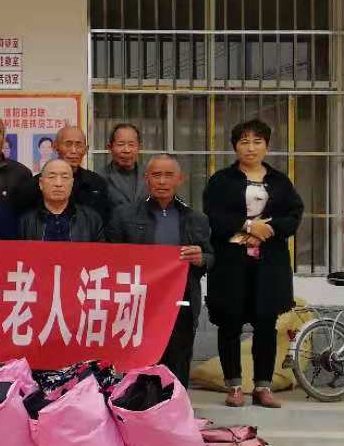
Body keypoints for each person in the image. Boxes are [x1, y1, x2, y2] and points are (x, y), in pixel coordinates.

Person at [203, 119, 305, 409]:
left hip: (269, 265)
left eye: (257, 142)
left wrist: (269, 229)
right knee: (230, 324)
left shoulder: (280, 181)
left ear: (267, 146)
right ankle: (234, 386)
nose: (251, 148)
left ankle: (263, 386)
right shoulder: (221, 180)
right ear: (235, 146)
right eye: (244, 142)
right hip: (231, 264)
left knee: (266, 325)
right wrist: (248, 226)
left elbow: (294, 214)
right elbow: (213, 215)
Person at [107, 154, 213, 388]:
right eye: (156, 175)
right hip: (139, 300)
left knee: (178, 357)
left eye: (168, 175)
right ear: (147, 179)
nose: (162, 181)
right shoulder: (125, 215)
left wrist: (201, 258)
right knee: (139, 359)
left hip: (181, 300)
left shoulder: (196, 218)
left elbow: (210, 256)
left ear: (180, 179)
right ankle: (137, 404)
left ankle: (174, 403)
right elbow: (111, 258)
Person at [10, 124, 112, 222]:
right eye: (68, 144)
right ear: (55, 147)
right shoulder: (34, 185)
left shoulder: (96, 183)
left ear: (86, 149)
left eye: (78, 145)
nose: (73, 151)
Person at [17, 159, 106, 242]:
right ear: (41, 183)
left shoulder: (92, 220)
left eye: (65, 177)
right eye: (52, 177)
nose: (58, 183)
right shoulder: (26, 221)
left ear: (72, 184)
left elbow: (99, 252)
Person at [104, 123, 143, 211]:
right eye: (121, 144)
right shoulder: (99, 178)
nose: (126, 150)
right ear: (110, 148)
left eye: (131, 144)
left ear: (139, 147)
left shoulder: (150, 176)